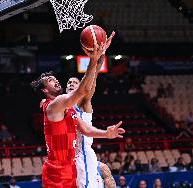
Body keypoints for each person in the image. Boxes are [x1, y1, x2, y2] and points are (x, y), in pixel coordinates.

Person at [31, 37, 125, 188]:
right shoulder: (55, 104)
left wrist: (106, 134)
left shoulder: (71, 110)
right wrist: (94, 59)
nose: (55, 80)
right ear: (44, 90)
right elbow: (83, 89)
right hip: (57, 169)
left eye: (55, 78)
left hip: (71, 166)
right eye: (50, 80)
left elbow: (86, 129)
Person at [65, 31, 116, 188]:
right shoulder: (62, 105)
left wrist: (100, 54)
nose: (71, 84)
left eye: (75, 82)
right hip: (67, 157)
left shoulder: (83, 102)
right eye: (68, 83)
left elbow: (92, 77)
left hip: (82, 152)